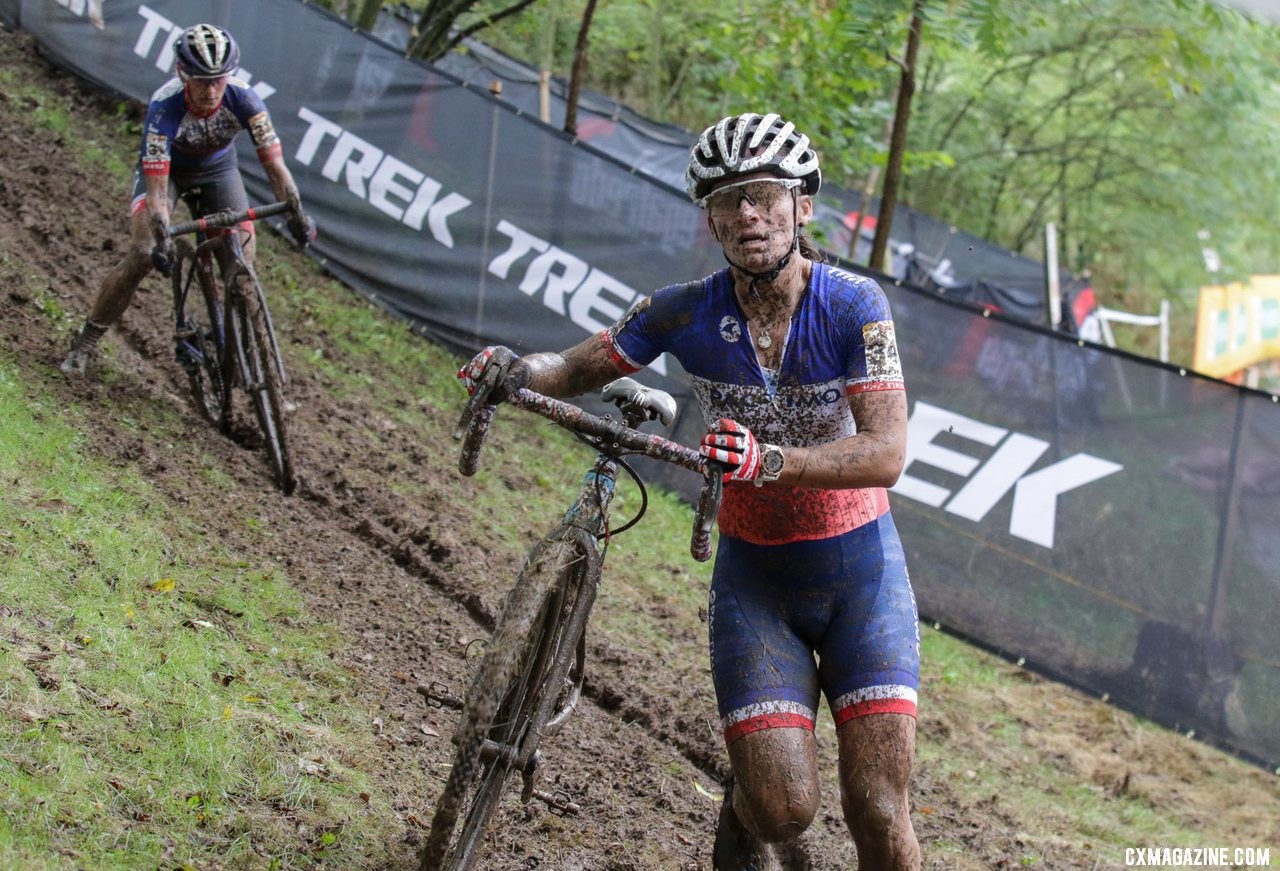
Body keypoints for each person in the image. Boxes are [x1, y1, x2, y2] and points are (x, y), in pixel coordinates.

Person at [459, 111, 921, 870]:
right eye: (728, 199)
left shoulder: (853, 304)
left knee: (876, 806)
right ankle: (741, 821)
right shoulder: (682, 308)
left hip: (862, 574)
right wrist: (514, 366)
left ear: (803, 205)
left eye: (766, 194)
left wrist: (771, 460)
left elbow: (887, 450)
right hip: (757, 577)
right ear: (710, 219)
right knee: (781, 807)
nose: (749, 213)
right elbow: (573, 368)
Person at [61, 22, 315, 376]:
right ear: (182, 74)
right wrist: (161, 236)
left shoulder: (245, 99)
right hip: (171, 174)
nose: (211, 90)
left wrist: (296, 211)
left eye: (219, 79)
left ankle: (264, 367)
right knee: (141, 252)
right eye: (201, 80)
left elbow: (274, 164)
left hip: (219, 171)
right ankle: (85, 343)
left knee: (242, 272)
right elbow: (156, 192)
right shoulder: (164, 108)